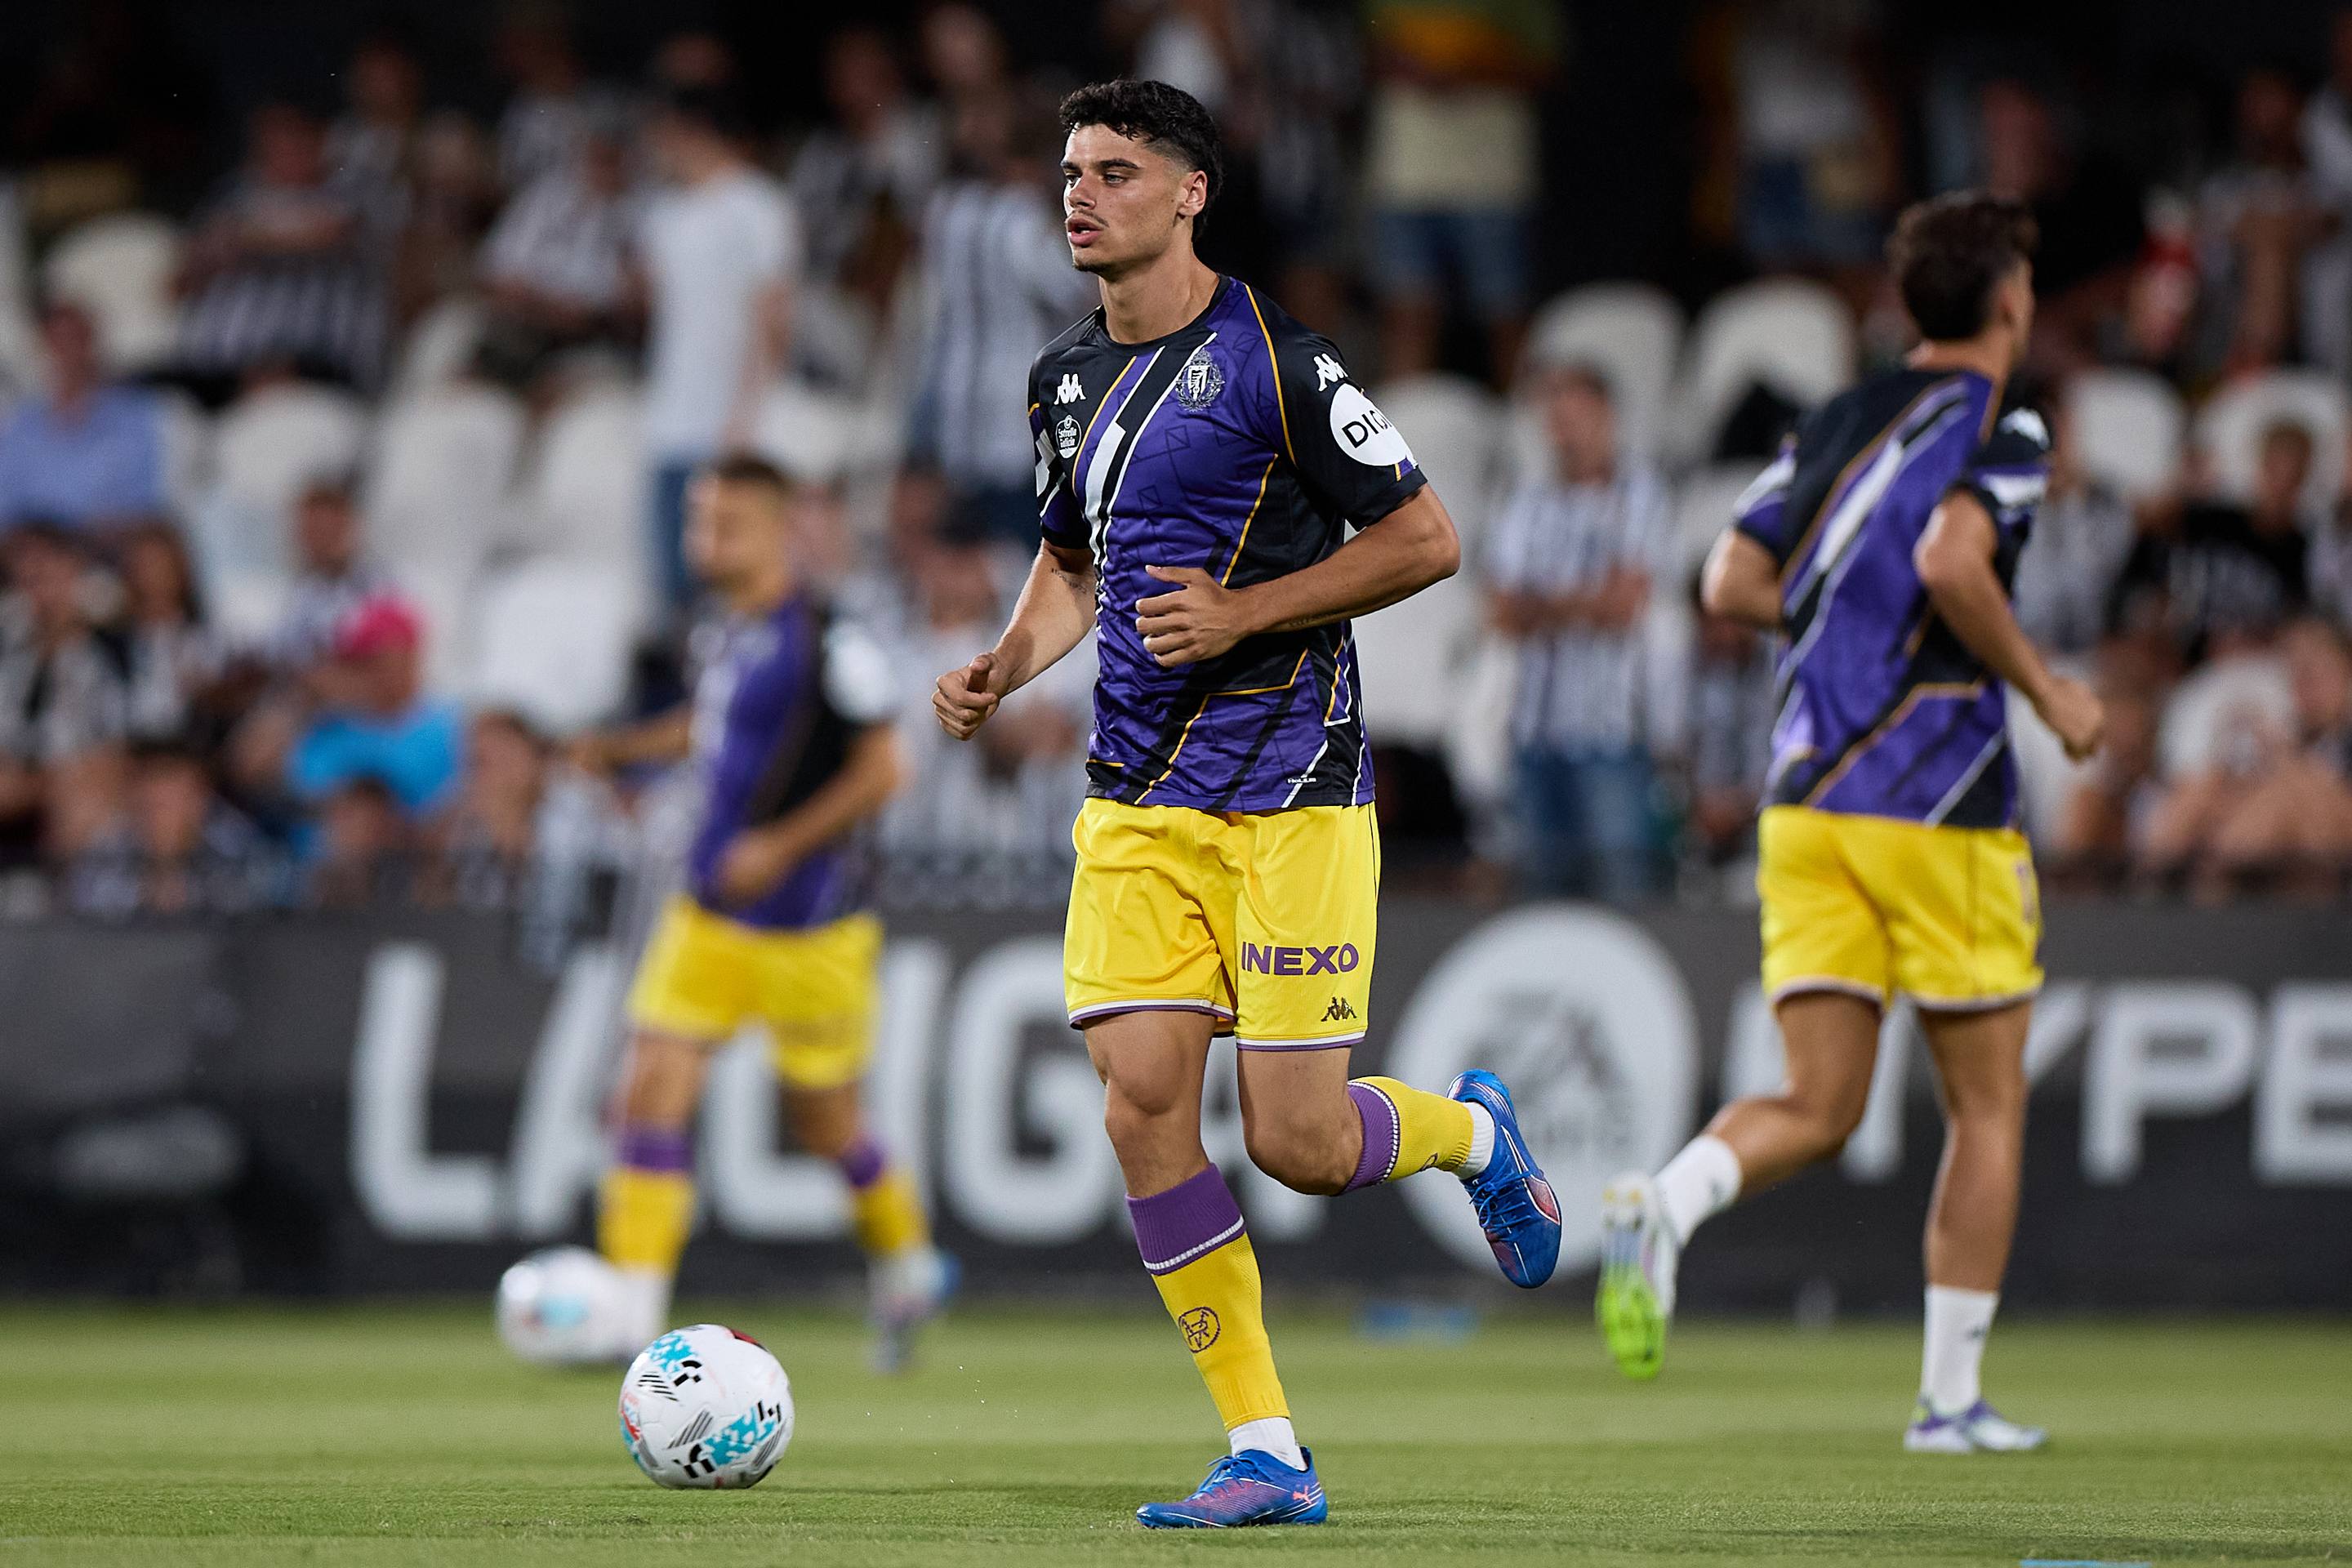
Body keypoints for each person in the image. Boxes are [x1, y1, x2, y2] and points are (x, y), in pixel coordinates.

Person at [931, 80, 1559, 1529]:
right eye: (1072, 173)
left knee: (1300, 1145)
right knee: (1141, 1105)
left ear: (1191, 192)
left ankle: (1471, 1135)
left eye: (1116, 172)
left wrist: (1245, 612)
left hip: (1291, 788)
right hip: (1135, 800)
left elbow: (1426, 537)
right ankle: (1265, 1446)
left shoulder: (1278, 360)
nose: (1082, 196)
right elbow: (1074, 561)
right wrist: (1007, 664)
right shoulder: (1062, 379)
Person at [1597, 194, 2106, 1454]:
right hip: (1937, 801)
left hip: (1806, 799)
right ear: (2010, 302)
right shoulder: (2004, 421)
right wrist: (2048, 690)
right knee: (1986, 1108)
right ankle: (1949, 1402)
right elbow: (1951, 560)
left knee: (1819, 1104)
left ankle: (1667, 1203)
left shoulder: (1832, 421)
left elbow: (1729, 578)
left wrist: (1847, 639)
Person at [568, 455, 949, 1372]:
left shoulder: (832, 638)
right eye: (699, 521)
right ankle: (631, 1317)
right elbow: (714, 730)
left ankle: (906, 1263)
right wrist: (618, 749)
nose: (706, 540)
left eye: (727, 523)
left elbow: (884, 770)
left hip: (810, 927)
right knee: (648, 1088)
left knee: (825, 1124)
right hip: (707, 913)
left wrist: (780, 846)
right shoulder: (722, 632)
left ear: (780, 530)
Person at [1482, 363, 1673, 898]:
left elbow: (1624, 605)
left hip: (1611, 732)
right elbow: (1499, 611)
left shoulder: (1641, 494)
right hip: (1534, 732)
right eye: (1557, 420)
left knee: (1621, 888)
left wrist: (1541, 603)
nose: (1565, 433)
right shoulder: (1526, 500)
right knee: (1539, 893)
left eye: (1576, 418)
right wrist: (1586, 598)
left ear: (1606, 417)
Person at [636, 85, 801, 612]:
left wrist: (749, 414)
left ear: (690, 131)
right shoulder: (665, 214)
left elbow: (774, 317)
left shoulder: (758, 206)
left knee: (735, 587)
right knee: (674, 592)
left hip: (731, 426)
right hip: (669, 422)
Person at [0, 298, 168, 530]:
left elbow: (143, 500)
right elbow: (7, 504)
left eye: (76, 338)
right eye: (57, 341)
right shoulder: (23, 424)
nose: (68, 352)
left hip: (108, 540)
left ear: (94, 343)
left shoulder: (135, 414)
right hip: (37, 543)